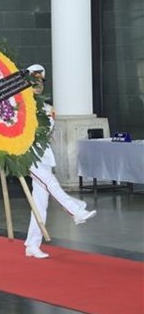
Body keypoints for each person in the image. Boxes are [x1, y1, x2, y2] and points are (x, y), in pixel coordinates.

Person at [24, 64, 97, 259]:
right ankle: (75, 210)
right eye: (33, 81)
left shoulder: (48, 108)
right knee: (51, 183)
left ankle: (32, 243)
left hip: (44, 154)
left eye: (40, 81)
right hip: (27, 154)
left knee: (41, 201)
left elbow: (47, 132)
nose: (37, 85)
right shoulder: (19, 107)